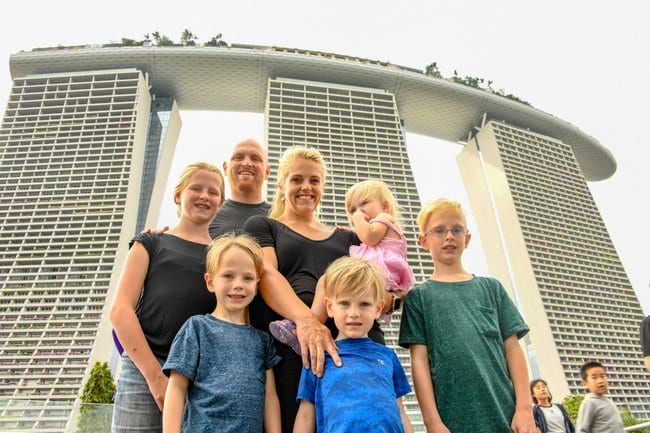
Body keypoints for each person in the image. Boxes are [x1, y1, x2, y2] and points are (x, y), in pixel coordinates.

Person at [146, 138, 336, 375]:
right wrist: (161, 235)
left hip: (267, 338)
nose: (247, 163)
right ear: (226, 167)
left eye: (255, 158)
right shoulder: (209, 212)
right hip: (207, 331)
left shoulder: (278, 220)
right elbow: (185, 240)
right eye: (239, 157)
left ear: (268, 172)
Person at [243, 146, 390, 433]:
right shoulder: (263, 225)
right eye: (297, 179)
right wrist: (307, 321)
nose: (306, 187)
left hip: (355, 352)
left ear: (323, 186)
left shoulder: (348, 237)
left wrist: (394, 299)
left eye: (314, 180)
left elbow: (378, 288)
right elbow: (267, 274)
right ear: (282, 184)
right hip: (296, 353)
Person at [398, 198, 536, 433]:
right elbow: (418, 361)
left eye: (457, 229)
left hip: (506, 416)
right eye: (439, 230)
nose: (449, 236)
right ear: (423, 241)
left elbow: (513, 349)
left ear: (467, 239)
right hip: (452, 423)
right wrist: (432, 422)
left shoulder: (492, 288)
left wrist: (524, 409)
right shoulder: (418, 297)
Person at [110, 162, 224, 433]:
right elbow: (120, 310)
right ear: (178, 195)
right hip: (145, 367)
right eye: (196, 188)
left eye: (213, 191)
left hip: (200, 376)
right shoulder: (150, 242)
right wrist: (153, 377)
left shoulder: (223, 255)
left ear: (221, 202)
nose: (204, 196)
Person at [270, 179, 415, 354]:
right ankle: (305, 327)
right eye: (352, 209)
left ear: (384, 206)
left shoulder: (385, 218)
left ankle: (306, 327)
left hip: (380, 275)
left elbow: (369, 236)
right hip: (375, 277)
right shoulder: (376, 227)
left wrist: (357, 219)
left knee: (326, 281)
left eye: (364, 204)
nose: (358, 212)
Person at [162, 234, 281, 433]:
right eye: (228, 275)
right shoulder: (197, 328)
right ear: (210, 281)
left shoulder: (263, 341)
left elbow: (270, 396)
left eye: (248, 278)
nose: (238, 284)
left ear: (257, 285)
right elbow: (176, 387)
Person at [293, 256, 414, 433]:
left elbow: (401, 412)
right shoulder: (318, 357)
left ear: (378, 309)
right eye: (344, 303)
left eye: (364, 304)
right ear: (329, 307)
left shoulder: (388, 357)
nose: (354, 313)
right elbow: (305, 416)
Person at [575, 361, 625, 433]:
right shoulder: (589, 403)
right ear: (585, 383)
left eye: (602, 376)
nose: (600, 381)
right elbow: (582, 430)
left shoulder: (608, 401)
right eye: (594, 377)